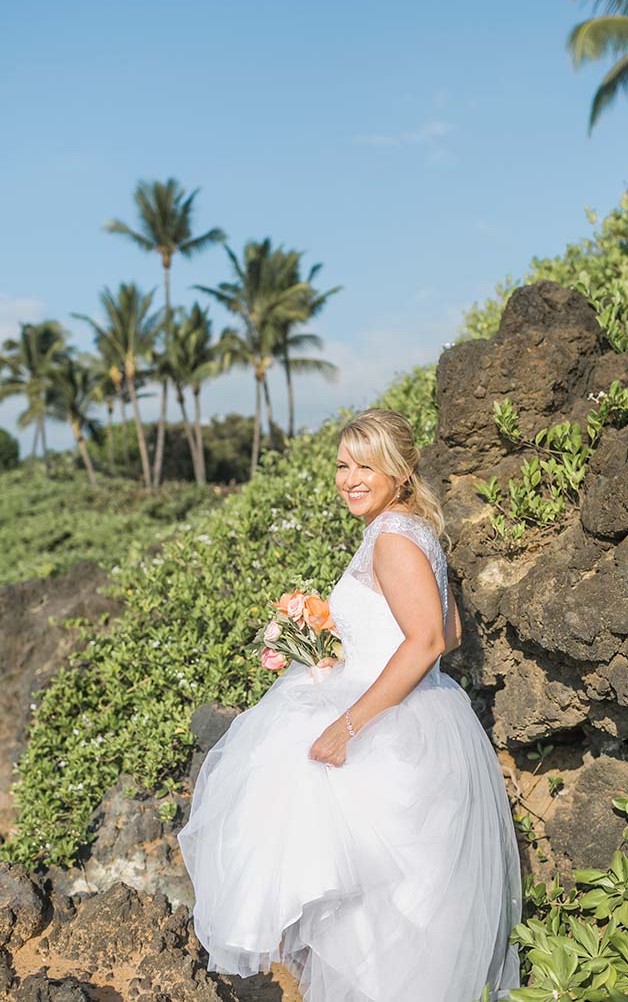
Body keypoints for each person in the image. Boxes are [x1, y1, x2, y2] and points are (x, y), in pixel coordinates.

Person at [177, 407, 522, 1002]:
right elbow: (453, 633)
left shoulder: (391, 539)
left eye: (368, 465)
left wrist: (347, 723)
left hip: (388, 726)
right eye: (343, 464)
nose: (351, 478)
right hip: (427, 713)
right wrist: (346, 652)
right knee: (406, 901)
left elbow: (430, 641)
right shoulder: (414, 531)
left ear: (401, 470)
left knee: (378, 908)